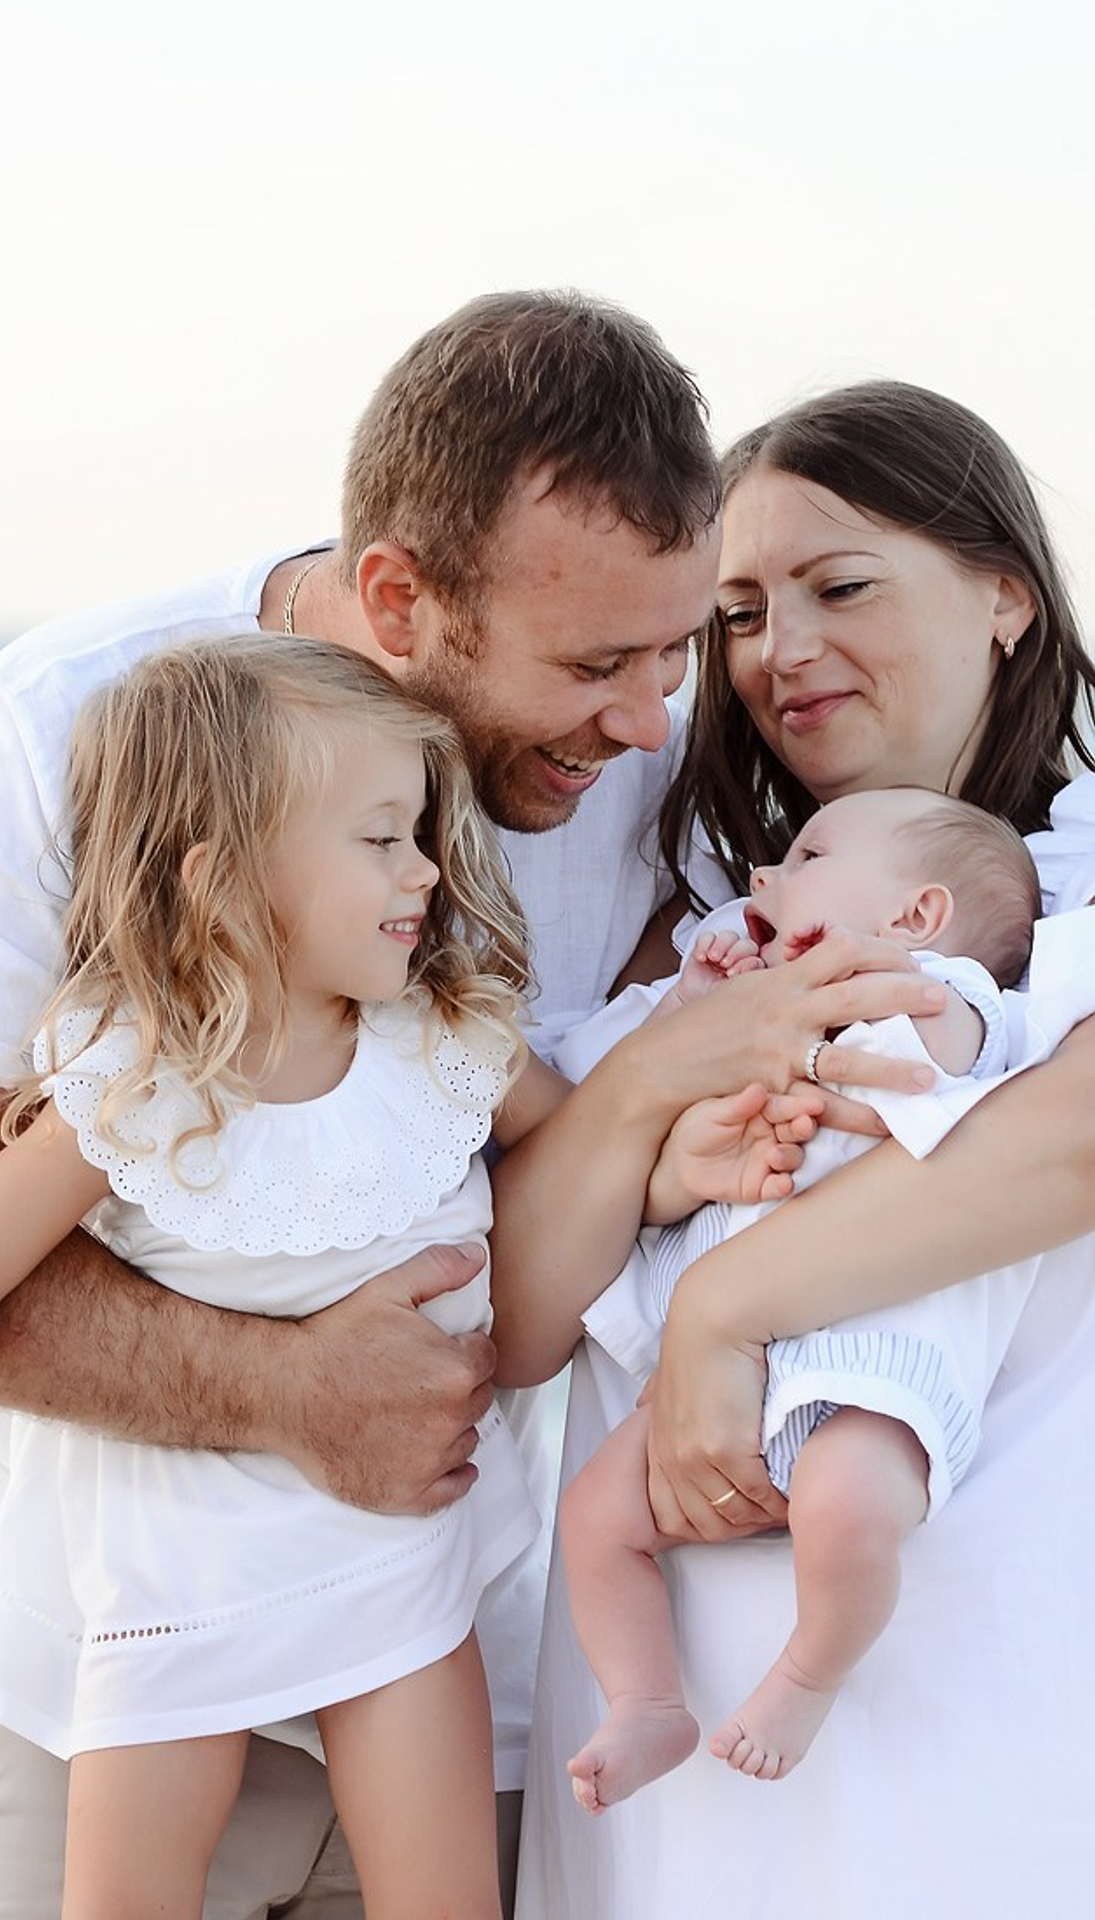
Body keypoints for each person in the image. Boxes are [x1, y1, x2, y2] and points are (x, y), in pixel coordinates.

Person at [0, 296, 938, 1920]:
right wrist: (280, 1390)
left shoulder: (636, 767)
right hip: (78, 1688)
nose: (652, 723)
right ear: (401, 596)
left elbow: (581, 1131)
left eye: (677, 648)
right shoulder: (56, 738)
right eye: (596, 663)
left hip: (428, 1659)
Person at [0, 636, 569, 1919]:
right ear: (227, 881)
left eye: (420, 834)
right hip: (172, 1586)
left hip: (395, 1573)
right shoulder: (139, 1080)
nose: (425, 872)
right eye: (382, 838)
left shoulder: (445, 1042)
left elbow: (589, 1150)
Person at [496, 379, 1095, 1919]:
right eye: (742, 611)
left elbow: (1072, 1142)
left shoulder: (1080, 884)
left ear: (1006, 598)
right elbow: (519, 1312)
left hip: (969, 1670)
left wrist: (721, 1310)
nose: (780, 651)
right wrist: (648, 1100)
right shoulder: (701, 925)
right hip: (659, 1695)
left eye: (840, 587)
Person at [558, 788, 1040, 1808]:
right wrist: (705, 1006)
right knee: (593, 1518)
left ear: (914, 917)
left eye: (808, 856)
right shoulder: (764, 999)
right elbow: (631, 1103)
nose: (763, 879)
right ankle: (643, 1698)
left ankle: (808, 1672)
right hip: (706, 1393)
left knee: (848, 1503)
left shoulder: (947, 995)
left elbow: (937, 1051)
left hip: (858, 1362)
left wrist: (851, 989)